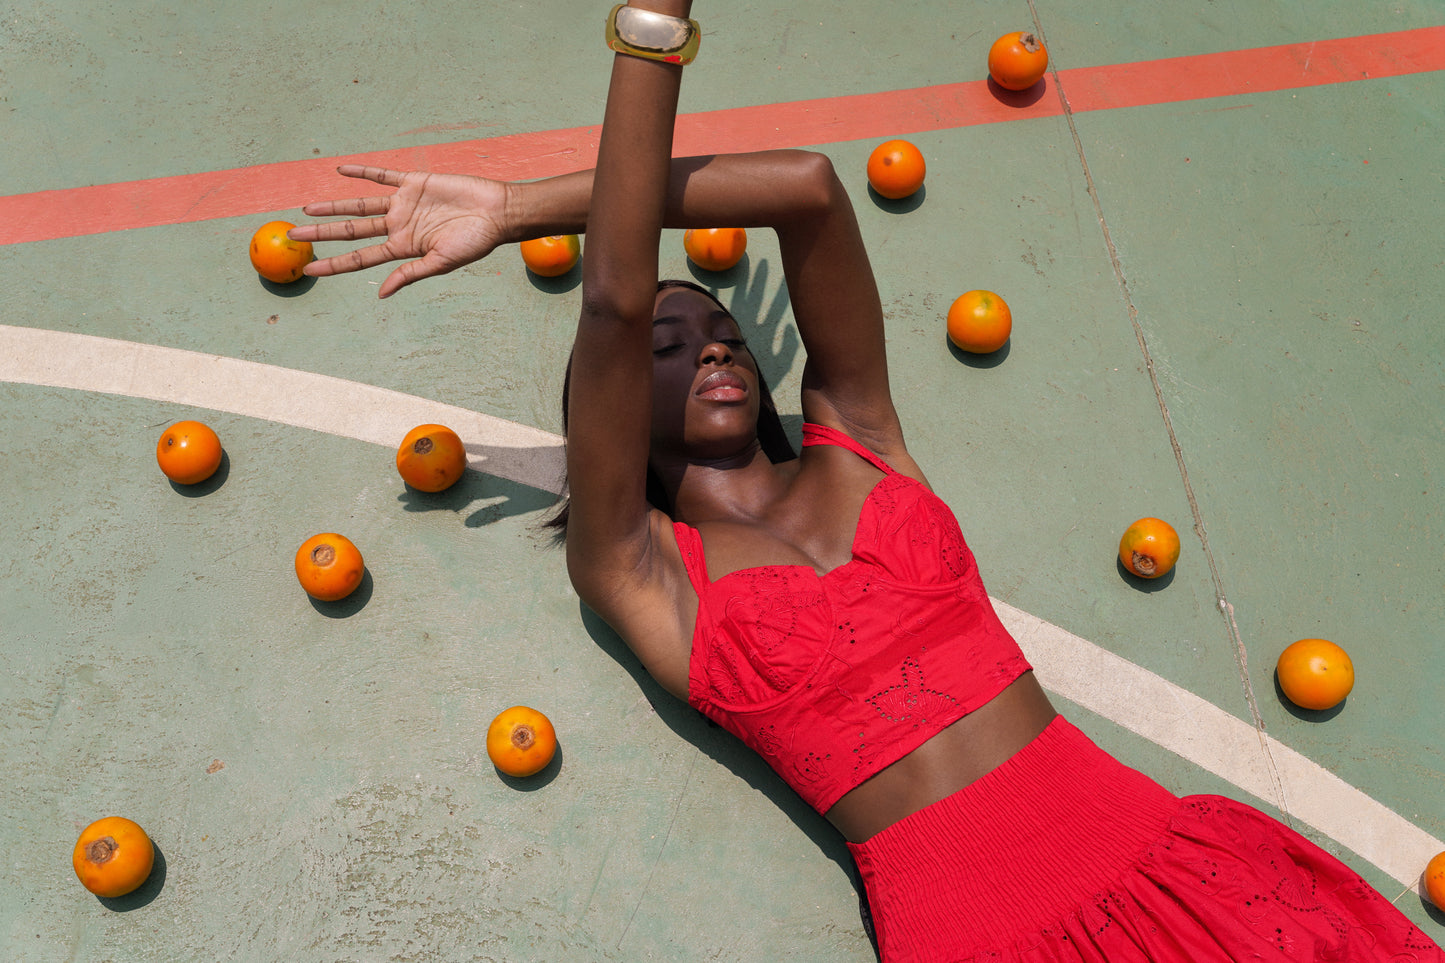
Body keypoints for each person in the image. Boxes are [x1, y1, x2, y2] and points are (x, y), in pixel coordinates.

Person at [289, 3, 1444, 959]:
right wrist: (647, 29)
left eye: (726, 332)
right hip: (974, 936)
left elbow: (806, 185)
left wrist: (521, 205)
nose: (715, 349)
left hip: (1166, 867)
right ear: (613, 404)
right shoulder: (639, 572)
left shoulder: (860, 440)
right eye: (668, 345)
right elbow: (614, 295)